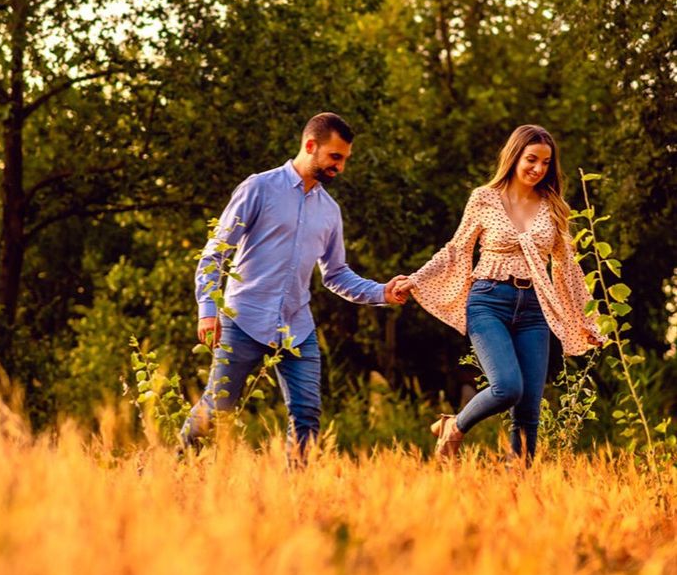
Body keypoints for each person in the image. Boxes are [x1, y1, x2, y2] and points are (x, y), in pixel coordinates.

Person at [181, 112, 407, 457]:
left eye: (345, 159)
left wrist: (381, 292)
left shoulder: (330, 211)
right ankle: (171, 470)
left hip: (296, 328)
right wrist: (208, 311)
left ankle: (297, 493)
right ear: (310, 145)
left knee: (307, 414)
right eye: (335, 157)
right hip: (243, 320)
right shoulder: (258, 188)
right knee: (217, 409)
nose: (340, 167)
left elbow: (335, 274)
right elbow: (215, 254)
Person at [394, 124, 604, 464]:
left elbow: (567, 269)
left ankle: (518, 487)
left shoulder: (554, 207)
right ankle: (455, 427)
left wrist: (587, 320)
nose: (538, 168)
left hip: (535, 309)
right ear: (515, 156)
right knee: (507, 386)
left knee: (529, 409)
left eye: (546, 162)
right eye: (531, 159)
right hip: (489, 301)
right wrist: (416, 279)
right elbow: (456, 249)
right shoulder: (484, 198)